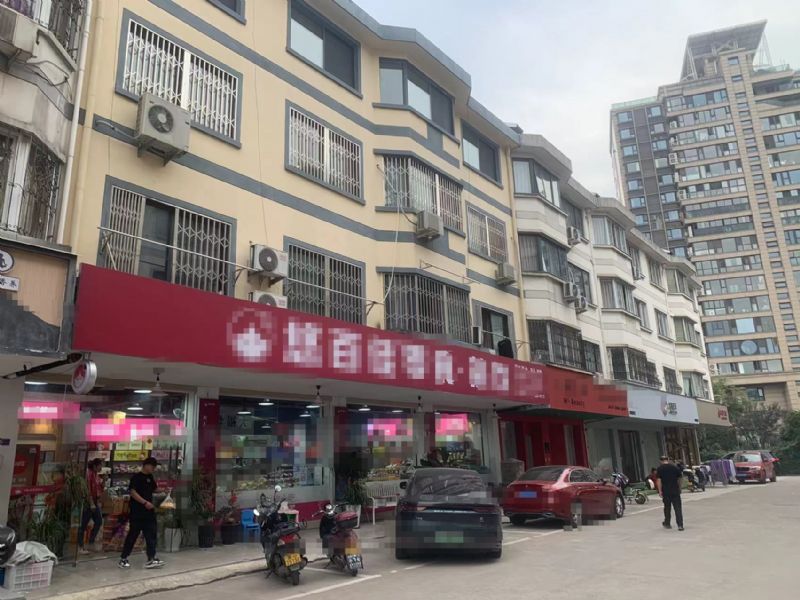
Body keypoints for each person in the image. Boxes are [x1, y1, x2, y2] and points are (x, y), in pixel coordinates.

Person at [119, 458, 164, 569]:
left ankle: (151, 558)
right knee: (133, 535)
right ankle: (123, 558)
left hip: (149, 512)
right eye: (152, 466)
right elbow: (132, 492)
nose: (153, 469)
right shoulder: (136, 478)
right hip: (137, 512)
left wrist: (164, 490)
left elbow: (154, 489)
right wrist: (144, 502)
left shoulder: (150, 477)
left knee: (151, 535)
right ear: (146, 465)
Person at [78, 459, 104, 554]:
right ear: (95, 466)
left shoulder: (96, 475)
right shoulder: (88, 474)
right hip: (88, 502)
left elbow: (99, 488)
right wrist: (91, 503)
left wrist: (104, 481)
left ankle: (91, 541)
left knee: (99, 521)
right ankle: (80, 546)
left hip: (95, 502)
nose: (101, 468)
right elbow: (87, 490)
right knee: (83, 525)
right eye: (100, 465)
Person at [656, 456, 684, 531]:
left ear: (660, 461)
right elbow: (680, 478)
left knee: (667, 508)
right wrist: (680, 488)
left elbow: (659, 481)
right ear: (667, 460)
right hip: (675, 490)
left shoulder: (660, 469)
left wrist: (660, 491)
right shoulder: (674, 467)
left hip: (666, 492)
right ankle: (680, 525)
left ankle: (667, 523)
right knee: (678, 508)